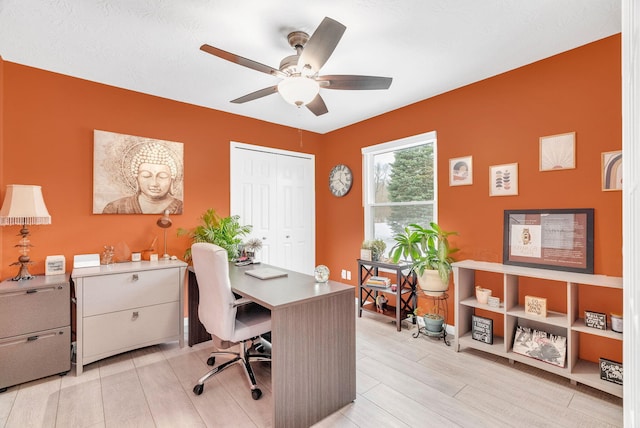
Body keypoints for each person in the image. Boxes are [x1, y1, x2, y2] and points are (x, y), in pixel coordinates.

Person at [102, 142, 183, 214]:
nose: (154, 183)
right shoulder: (115, 208)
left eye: (162, 176)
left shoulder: (181, 208)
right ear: (136, 178)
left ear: (172, 179)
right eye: (146, 176)